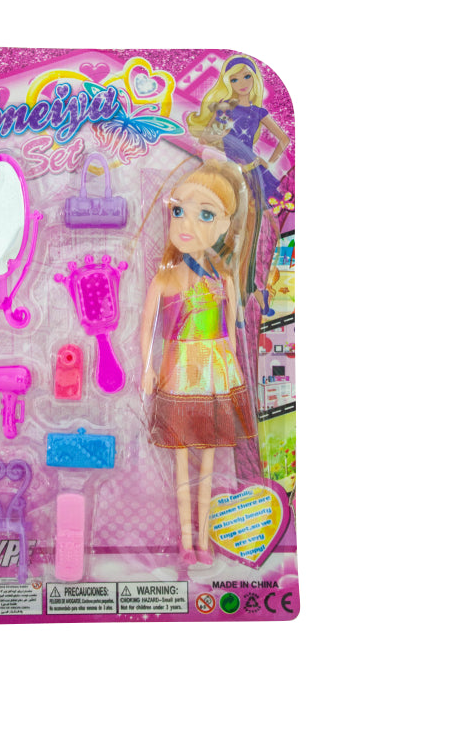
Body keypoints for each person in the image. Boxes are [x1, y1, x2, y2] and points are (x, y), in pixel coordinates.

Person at [140, 160, 256, 565]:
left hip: (214, 372)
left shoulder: (223, 279)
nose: (186, 223)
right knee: (180, 462)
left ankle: (203, 543)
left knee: (206, 461)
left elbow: (233, 331)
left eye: (205, 215)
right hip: (180, 372)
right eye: (179, 211)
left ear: (224, 226)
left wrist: (234, 369)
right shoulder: (164, 278)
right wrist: (147, 368)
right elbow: (147, 327)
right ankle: (186, 544)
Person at [187, 54, 289, 300]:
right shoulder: (226, 108)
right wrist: (224, 144)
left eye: (246, 77)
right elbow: (206, 139)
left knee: (252, 231)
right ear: (227, 82)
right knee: (225, 226)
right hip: (230, 173)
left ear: (254, 79)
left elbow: (284, 139)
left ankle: (247, 285)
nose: (242, 83)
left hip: (253, 173)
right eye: (234, 79)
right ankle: (221, 282)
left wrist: (268, 161)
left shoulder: (258, 111)